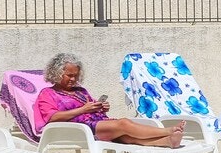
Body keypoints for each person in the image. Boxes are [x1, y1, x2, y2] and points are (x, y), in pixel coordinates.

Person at [34, 53, 185, 146]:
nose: (73, 79)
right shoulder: (48, 94)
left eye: (76, 75)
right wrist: (83, 109)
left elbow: (89, 107)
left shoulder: (80, 91)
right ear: (57, 73)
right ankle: (167, 131)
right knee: (124, 124)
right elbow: (52, 118)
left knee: (125, 136)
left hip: (94, 125)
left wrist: (99, 107)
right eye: (69, 75)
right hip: (77, 130)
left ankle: (167, 142)